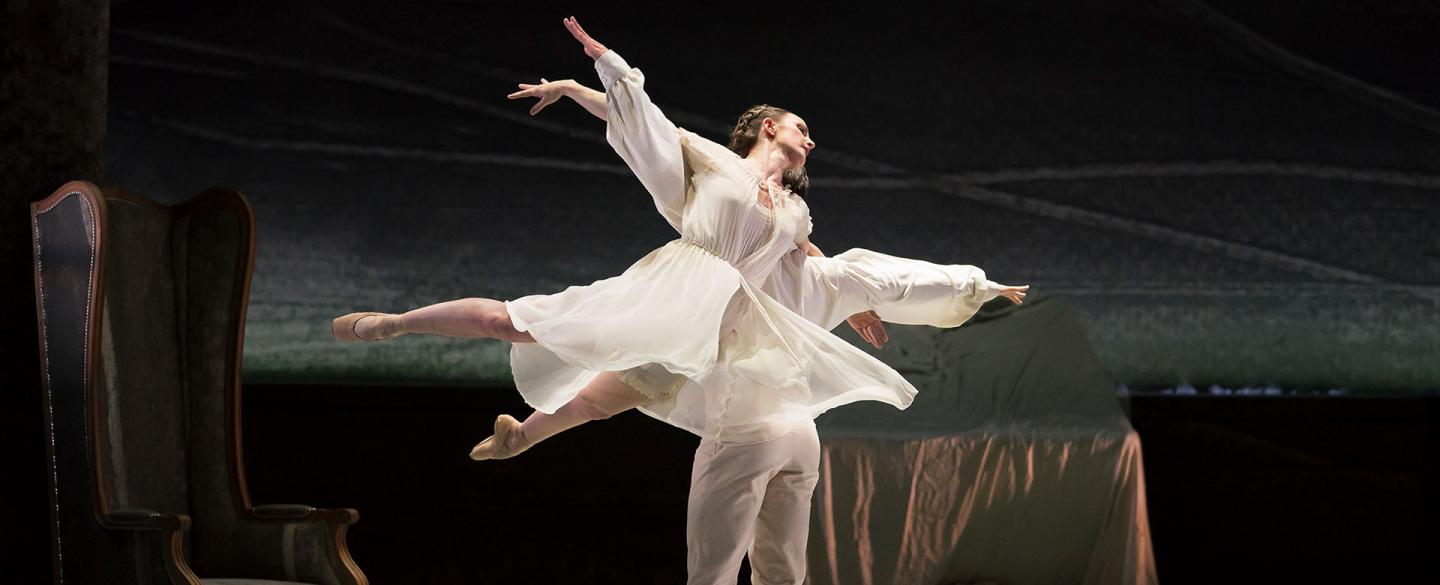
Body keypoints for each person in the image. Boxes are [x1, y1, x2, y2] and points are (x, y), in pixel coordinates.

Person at [332, 17, 1027, 585]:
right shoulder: (714, 162)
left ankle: (525, 434)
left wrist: (864, 302)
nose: (809, 138)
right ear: (766, 128)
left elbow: (820, 263)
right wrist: (586, 82)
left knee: (628, 387)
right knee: (525, 323)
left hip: (731, 317)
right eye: (798, 127)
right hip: (681, 283)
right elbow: (649, 131)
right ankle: (391, 323)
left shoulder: (794, 212)